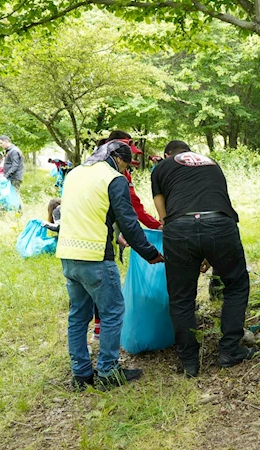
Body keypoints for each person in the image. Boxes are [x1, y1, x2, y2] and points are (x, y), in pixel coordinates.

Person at [56, 141, 164, 391]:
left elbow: (84, 213)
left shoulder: (74, 174)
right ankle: (108, 372)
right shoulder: (112, 178)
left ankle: (81, 375)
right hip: (95, 257)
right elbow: (129, 221)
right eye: (126, 165)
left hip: (69, 256)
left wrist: (115, 236)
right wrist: (149, 253)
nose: (127, 172)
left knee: (78, 317)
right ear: (116, 158)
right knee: (113, 311)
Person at [151, 140, 255, 378]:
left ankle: (189, 362)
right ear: (190, 152)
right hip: (220, 223)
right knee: (236, 285)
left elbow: (162, 211)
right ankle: (229, 351)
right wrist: (207, 250)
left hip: (179, 227)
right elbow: (213, 198)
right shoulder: (212, 163)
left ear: (168, 154)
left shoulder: (161, 167)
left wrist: (181, 238)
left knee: (181, 297)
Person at [105, 131, 162, 230]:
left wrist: (156, 225)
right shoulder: (115, 177)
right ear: (118, 157)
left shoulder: (124, 174)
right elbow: (132, 210)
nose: (130, 159)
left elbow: (134, 204)